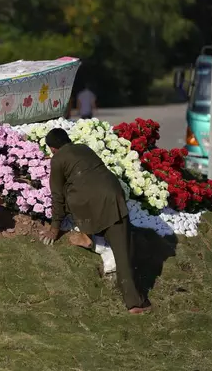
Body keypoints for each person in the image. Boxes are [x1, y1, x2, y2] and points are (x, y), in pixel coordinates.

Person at [39, 128, 151, 314]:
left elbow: (57, 196)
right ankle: (135, 303)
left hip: (87, 205)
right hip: (113, 196)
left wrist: (54, 228)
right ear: (68, 140)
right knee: (122, 252)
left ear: (52, 149)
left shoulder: (57, 159)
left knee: (75, 193)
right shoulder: (84, 148)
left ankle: (87, 235)